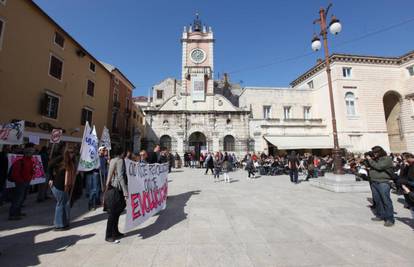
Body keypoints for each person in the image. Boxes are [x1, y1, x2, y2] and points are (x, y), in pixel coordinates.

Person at [104, 147, 128, 243]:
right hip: (116, 189)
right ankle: (109, 235)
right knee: (114, 213)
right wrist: (125, 192)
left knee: (116, 212)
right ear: (122, 153)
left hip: (111, 188)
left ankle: (115, 232)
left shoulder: (113, 160)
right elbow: (121, 177)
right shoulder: (120, 161)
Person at [366, 146, 395, 227]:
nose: (374, 154)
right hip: (374, 182)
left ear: (380, 152)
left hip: (383, 182)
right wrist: (367, 159)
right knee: (377, 200)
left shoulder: (387, 159)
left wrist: (370, 160)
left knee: (386, 200)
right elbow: (370, 165)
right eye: (373, 152)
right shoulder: (375, 159)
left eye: (376, 152)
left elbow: (379, 167)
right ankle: (381, 215)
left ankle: (390, 219)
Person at [49, 147, 76, 230]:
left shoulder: (71, 162)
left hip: (66, 185)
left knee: (64, 204)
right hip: (58, 185)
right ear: (66, 152)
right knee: (60, 204)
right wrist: (50, 178)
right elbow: (50, 166)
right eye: (70, 152)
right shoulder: (61, 159)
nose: (72, 154)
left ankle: (64, 222)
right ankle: (58, 225)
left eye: (73, 152)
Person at [8, 146, 35, 220]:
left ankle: (17, 212)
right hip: (21, 183)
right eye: (31, 153)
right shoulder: (20, 161)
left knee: (22, 198)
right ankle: (12, 214)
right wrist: (21, 181)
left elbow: (30, 171)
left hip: (26, 182)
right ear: (26, 153)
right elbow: (15, 174)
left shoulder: (30, 161)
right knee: (18, 199)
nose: (32, 154)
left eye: (32, 152)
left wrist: (32, 173)